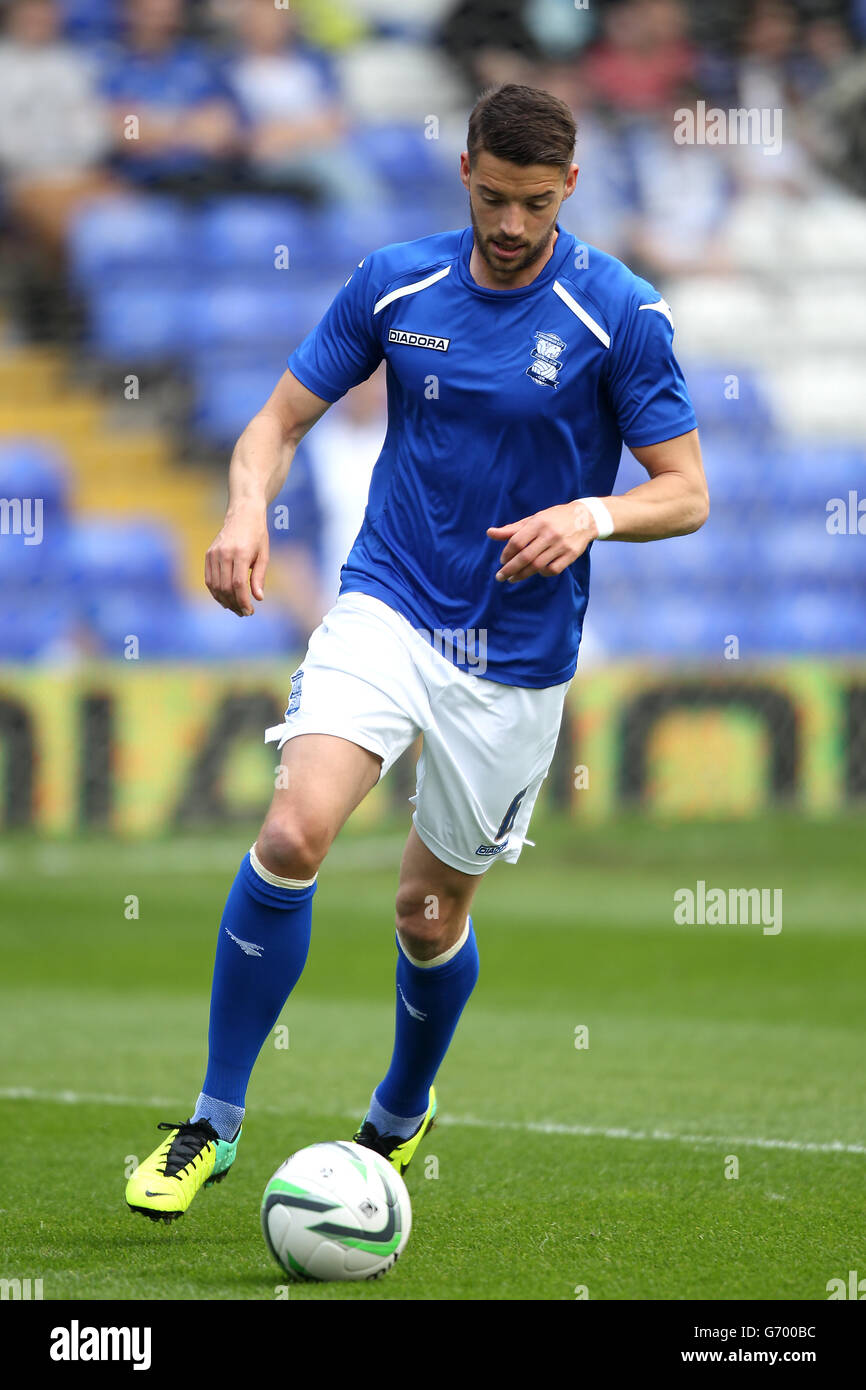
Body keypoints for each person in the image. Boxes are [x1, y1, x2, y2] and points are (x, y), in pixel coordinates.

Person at [125, 83, 708, 1221]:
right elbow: (275, 422)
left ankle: (398, 1111)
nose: (508, 225)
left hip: (517, 657)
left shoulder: (618, 313)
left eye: (533, 204)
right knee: (292, 831)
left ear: (569, 190)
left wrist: (590, 515)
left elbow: (683, 492)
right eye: (492, 197)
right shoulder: (395, 281)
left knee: (427, 915)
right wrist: (246, 509)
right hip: (386, 603)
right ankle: (212, 1121)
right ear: (464, 172)